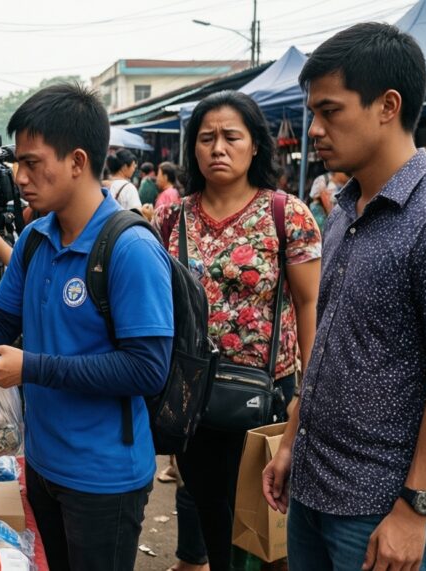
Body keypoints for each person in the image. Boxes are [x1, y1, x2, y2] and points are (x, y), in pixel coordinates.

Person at [0, 83, 174, 571]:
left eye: (32, 163)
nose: (19, 177)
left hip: (103, 477)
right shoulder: (35, 240)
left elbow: (147, 369)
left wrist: (31, 369)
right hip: (41, 464)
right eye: (17, 163)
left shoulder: (129, 249)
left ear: (77, 161)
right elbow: (1, 320)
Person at [263, 22, 426, 571]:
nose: (315, 129)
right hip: (313, 487)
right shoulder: (345, 211)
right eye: (313, 111)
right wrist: (292, 439)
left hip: (378, 509)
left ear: (387, 106)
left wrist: (415, 509)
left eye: (330, 111)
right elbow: (333, 345)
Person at [153, 89, 322, 571]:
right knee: (213, 515)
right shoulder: (171, 216)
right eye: (206, 138)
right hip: (192, 395)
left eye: (231, 136)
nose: (218, 148)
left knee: (268, 530)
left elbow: (310, 303)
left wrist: (304, 395)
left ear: (255, 146)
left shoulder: (286, 214)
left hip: (268, 396)